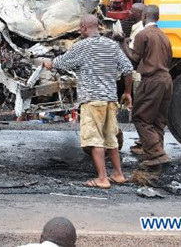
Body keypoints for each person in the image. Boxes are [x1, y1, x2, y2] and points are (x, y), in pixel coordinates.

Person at [42, 15, 133, 189]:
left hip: (92, 100)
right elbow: (128, 69)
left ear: (83, 27)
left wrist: (47, 63)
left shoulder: (82, 46)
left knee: (94, 140)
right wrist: (127, 93)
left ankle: (102, 179)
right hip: (110, 100)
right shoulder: (112, 45)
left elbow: (61, 63)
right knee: (110, 138)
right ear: (97, 26)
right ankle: (118, 174)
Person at [121, 5, 173, 166]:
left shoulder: (143, 35)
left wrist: (123, 43)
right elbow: (169, 58)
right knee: (158, 119)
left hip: (151, 80)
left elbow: (133, 60)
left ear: (144, 16)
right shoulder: (164, 36)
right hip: (166, 79)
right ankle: (156, 151)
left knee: (141, 117)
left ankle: (156, 154)